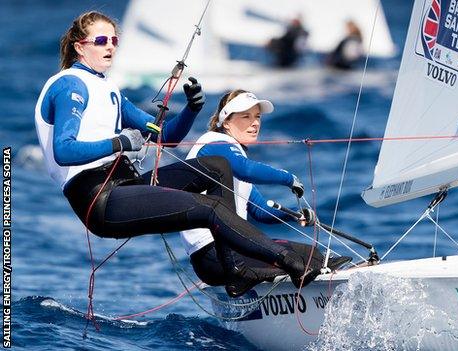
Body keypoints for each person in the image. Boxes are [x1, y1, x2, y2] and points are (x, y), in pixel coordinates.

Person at [33, 11, 322, 290]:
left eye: (114, 41)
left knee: (217, 165)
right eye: (101, 41)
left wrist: (191, 110)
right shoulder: (69, 84)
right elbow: (64, 150)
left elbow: (165, 138)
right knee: (208, 207)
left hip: (124, 184)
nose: (110, 47)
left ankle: (234, 267)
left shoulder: (108, 89)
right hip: (98, 198)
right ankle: (282, 263)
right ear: (78, 47)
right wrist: (121, 143)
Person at [182, 90, 351, 297]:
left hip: (233, 250)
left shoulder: (230, 158)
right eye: (246, 117)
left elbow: (260, 211)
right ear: (226, 122)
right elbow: (247, 170)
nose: (255, 123)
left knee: (312, 255)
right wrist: (288, 178)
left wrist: (294, 215)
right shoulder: (215, 143)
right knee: (303, 263)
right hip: (212, 255)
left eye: (258, 117)